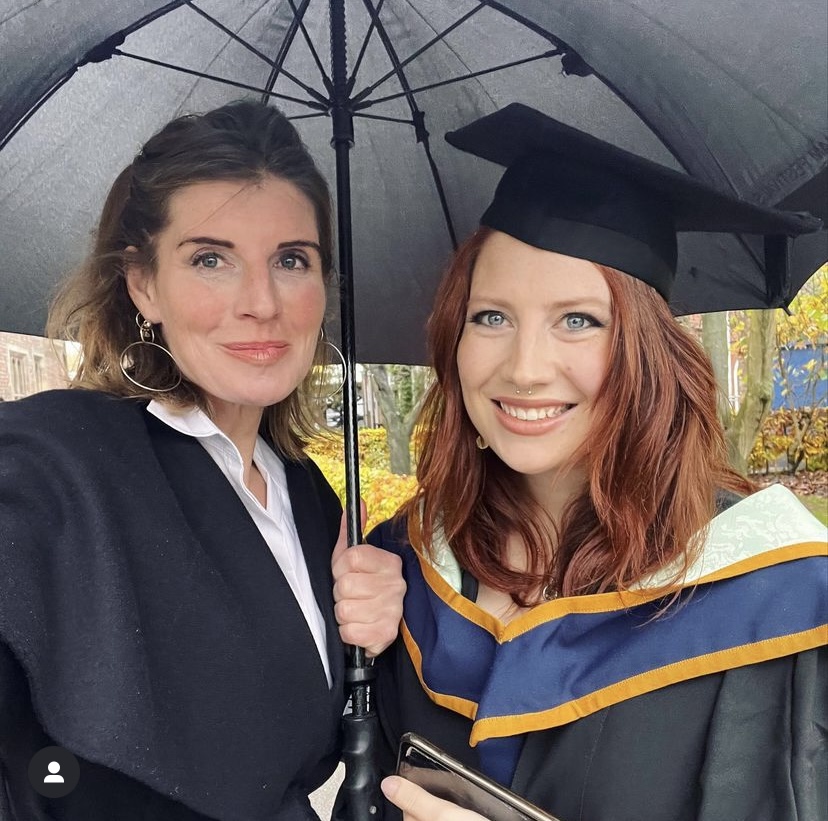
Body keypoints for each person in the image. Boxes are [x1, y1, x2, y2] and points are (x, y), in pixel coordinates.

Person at [362, 105, 827, 821]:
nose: (524, 367)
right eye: (491, 316)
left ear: (647, 352)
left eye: (577, 319)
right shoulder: (408, 566)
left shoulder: (780, 598)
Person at [0, 100, 405, 820]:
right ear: (143, 283)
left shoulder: (309, 500)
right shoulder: (50, 464)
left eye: (291, 260)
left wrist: (372, 649)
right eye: (211, 259)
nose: (261, 302)